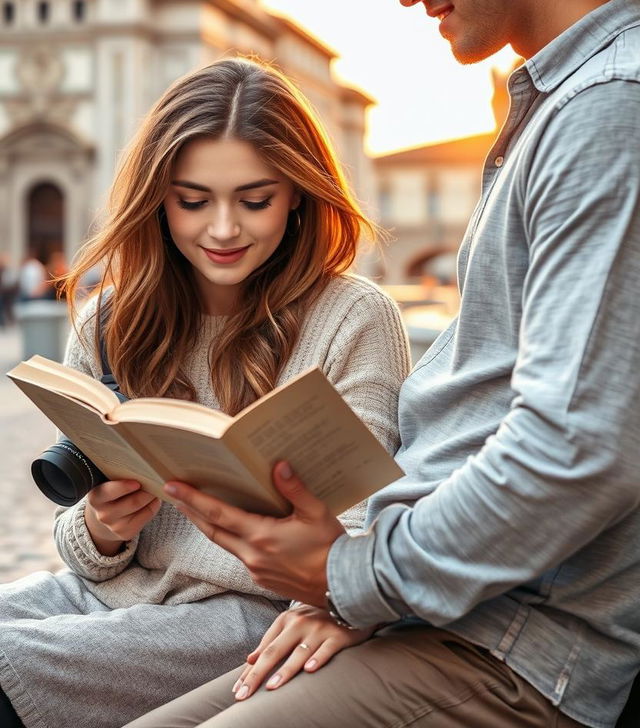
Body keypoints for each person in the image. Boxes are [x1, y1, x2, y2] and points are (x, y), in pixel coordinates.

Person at [124, 0, 640, 728]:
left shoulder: (609, 108)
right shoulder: (561, 104)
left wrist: (361, 575)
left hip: (517, 650)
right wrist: (359, 588)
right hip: (452, 613)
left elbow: (576, 449)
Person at [0, 58, 410, 728]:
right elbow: (81, 556)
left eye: (255, 200)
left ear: (299, 193)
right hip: (111, 598)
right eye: (193, 201)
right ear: (158, 197)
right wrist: (102, 525)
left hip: (255, 615)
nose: (223, 229)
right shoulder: (109, 320)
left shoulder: (353, 317)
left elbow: (364, 538)